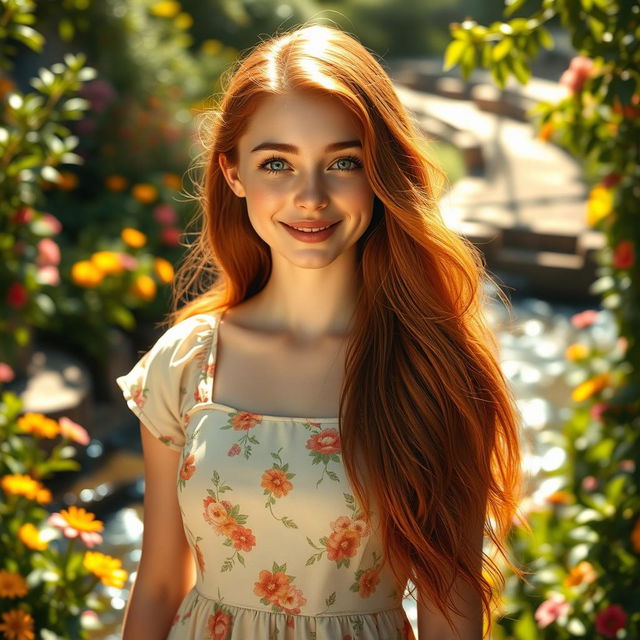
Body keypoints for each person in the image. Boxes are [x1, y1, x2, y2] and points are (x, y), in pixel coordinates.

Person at [116, 22, 526, 640]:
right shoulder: (186, 362)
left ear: (381, 174)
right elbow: (158, 587)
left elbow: (452, 613)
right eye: (277, 163)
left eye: (342, 162)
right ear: (232, 174)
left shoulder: (435, 371)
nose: (310, 196)